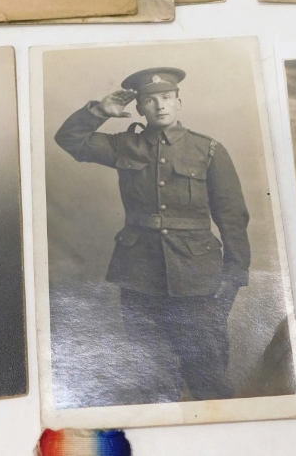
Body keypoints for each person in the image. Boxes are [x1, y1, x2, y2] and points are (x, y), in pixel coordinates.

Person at [54, 68, 251, 403]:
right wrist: (100, 111)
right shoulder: (124, 145)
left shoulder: (209, 150)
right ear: (140, 108)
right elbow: (69, 140)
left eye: (166, 98)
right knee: (153, 374)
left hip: (197, 276)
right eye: (150, 100)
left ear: (179, 103)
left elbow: (232, 217)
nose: (160, 106)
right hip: (139, 275)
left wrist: (234, 274)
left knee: (208, 372)